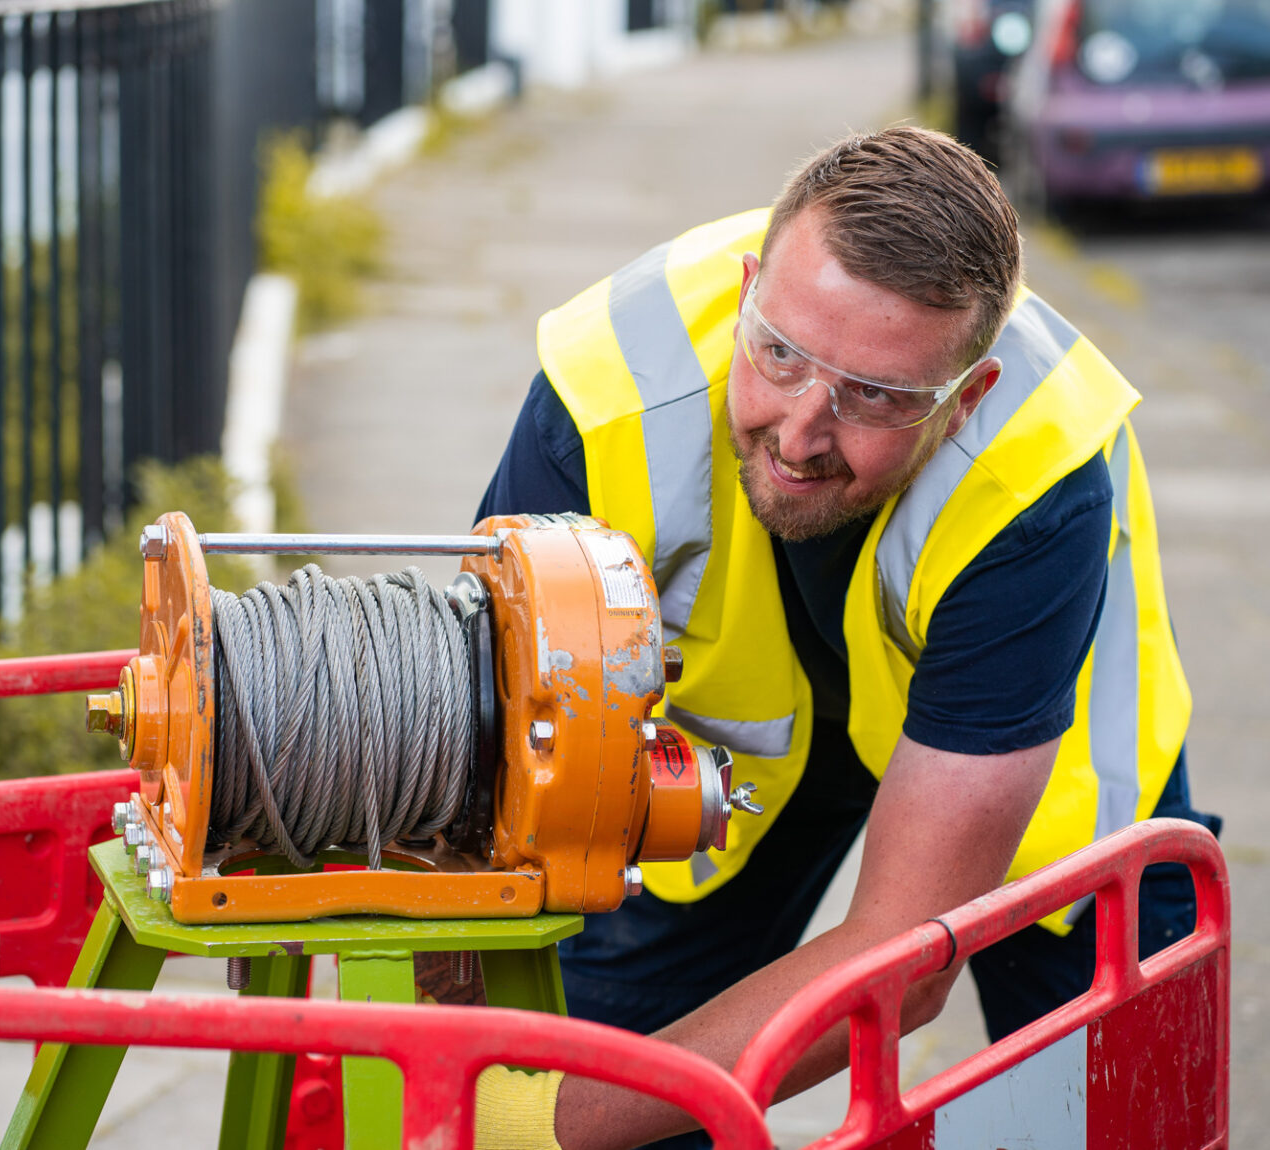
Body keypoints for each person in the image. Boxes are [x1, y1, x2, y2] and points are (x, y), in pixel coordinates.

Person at [470, 126, 1219, 1150]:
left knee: (1117, 1115)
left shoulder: (1036, 484)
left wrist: (542, 1125)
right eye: (777, 353)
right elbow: (483, 768)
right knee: (601, 1060)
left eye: (873, 394)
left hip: (1031, 776)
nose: (799, 430)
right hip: (745, 754)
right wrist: (459, 1034)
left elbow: (900, 959)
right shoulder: (604, 387)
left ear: (964, 400)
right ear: (744, 292)